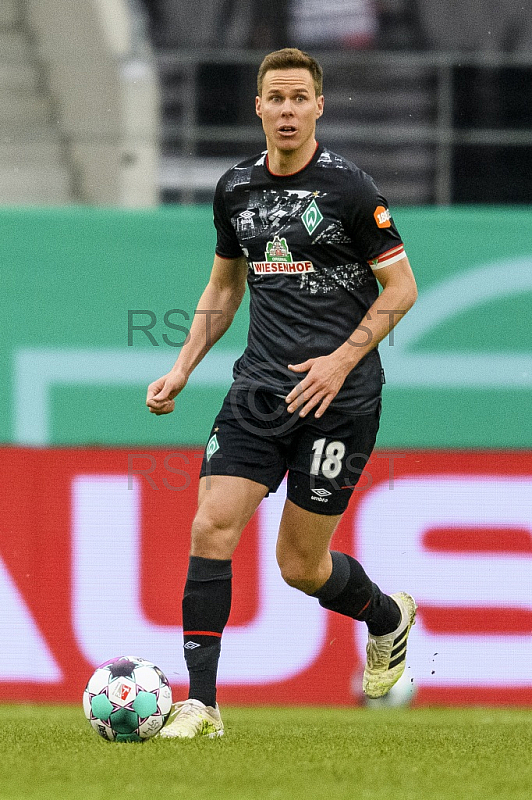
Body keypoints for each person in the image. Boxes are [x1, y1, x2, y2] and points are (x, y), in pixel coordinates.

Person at [146, 47, 418, 739]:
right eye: (277, 98)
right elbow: (225, 286)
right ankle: (201, 705)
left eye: (301, 97)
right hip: (259, 392)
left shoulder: (353, 191)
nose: (289, 109)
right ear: (259, 107)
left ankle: (386, 618)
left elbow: (402, 289)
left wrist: (340, 362)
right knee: (211, 524)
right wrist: (182, 365)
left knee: (299, 566)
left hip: (341, 400)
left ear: (319, 106)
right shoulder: (235, 187)